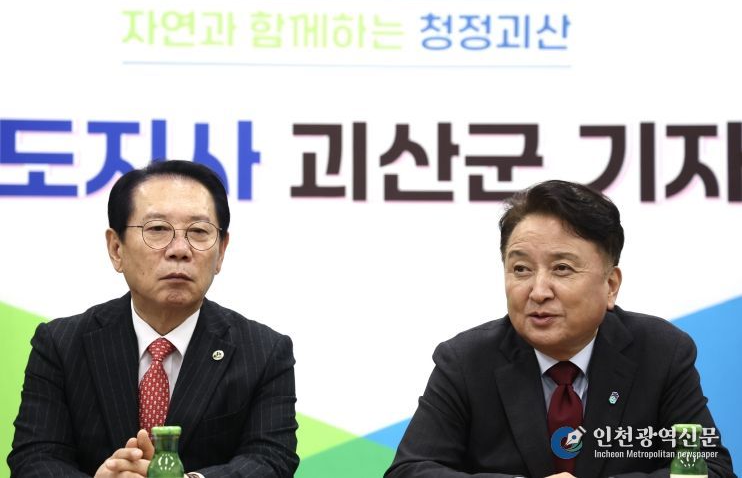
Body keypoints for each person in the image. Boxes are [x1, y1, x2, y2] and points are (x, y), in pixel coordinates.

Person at [385, 180, 735, 478]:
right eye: (521, 269)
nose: (538, 291)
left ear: (610, 285)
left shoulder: (661, 353)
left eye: (562, 268)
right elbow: (409, 470)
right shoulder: (466, 361)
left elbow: (706, 468)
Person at [8, 160, 298, 477]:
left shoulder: (264, 352)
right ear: (116, 248)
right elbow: (33, 459)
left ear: (221, 251)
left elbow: (271, 460)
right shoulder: (60, 344)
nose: (179, 250)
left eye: (199, 232)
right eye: (158, 229)